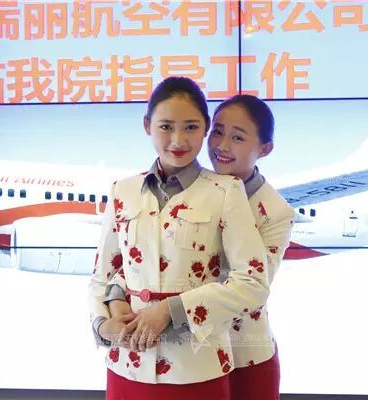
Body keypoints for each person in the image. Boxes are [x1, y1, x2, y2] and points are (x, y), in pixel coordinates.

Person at [87, 77, 270, 400]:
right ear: (147, 125)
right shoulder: (122, 191)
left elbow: (253, 282)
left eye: (191, 127)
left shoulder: (226, 192)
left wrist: (170, 311)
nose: (178, 140)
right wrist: (102, 325)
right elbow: (102, 276)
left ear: (205, 127)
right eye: (166, 127)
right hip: (127, 366)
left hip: (197, 369)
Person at [208, 95, 295, 400]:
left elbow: (250, 290)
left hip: (245, 357)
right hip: (190, 357)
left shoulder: (276, 211)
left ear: (265, 149)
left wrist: (170, 310)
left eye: (237, 137)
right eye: (217, 131)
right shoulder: (192, 190)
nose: (222, 145)